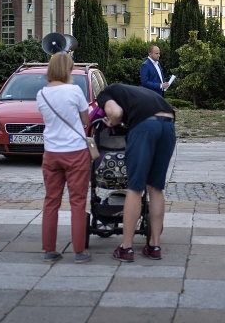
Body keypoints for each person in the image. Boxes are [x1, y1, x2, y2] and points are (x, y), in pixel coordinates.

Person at [96, 83, 176, 262]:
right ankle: (154, 245)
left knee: (135, 187)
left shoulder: (106, 93)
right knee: (156, 187)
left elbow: (115, 113)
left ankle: (126, 248)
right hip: (168, 124)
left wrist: (112, 122)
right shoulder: (136, 92)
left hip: (145, 127)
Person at [36, 52, 91, 264]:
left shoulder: (42, 94)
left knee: (51, 201)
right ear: (68, 70)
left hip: (51, 151)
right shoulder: (75, 91)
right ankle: (79, 251)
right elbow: (85, 120)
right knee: (77, 202)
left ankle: (49, 249)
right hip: (75, 151)